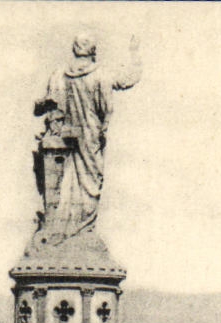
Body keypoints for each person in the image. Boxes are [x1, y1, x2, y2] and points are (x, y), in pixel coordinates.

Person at [33, 32, 141, 241]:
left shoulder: (59, 74)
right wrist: (135, 54)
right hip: (89, 136)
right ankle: (81, 230)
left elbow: (49, 104)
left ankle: (62, 230)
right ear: (93, 50)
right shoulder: (101, 75)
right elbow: (128, 79)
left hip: (63, 137)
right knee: (89, 182)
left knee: (62, 182)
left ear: (75, 49)